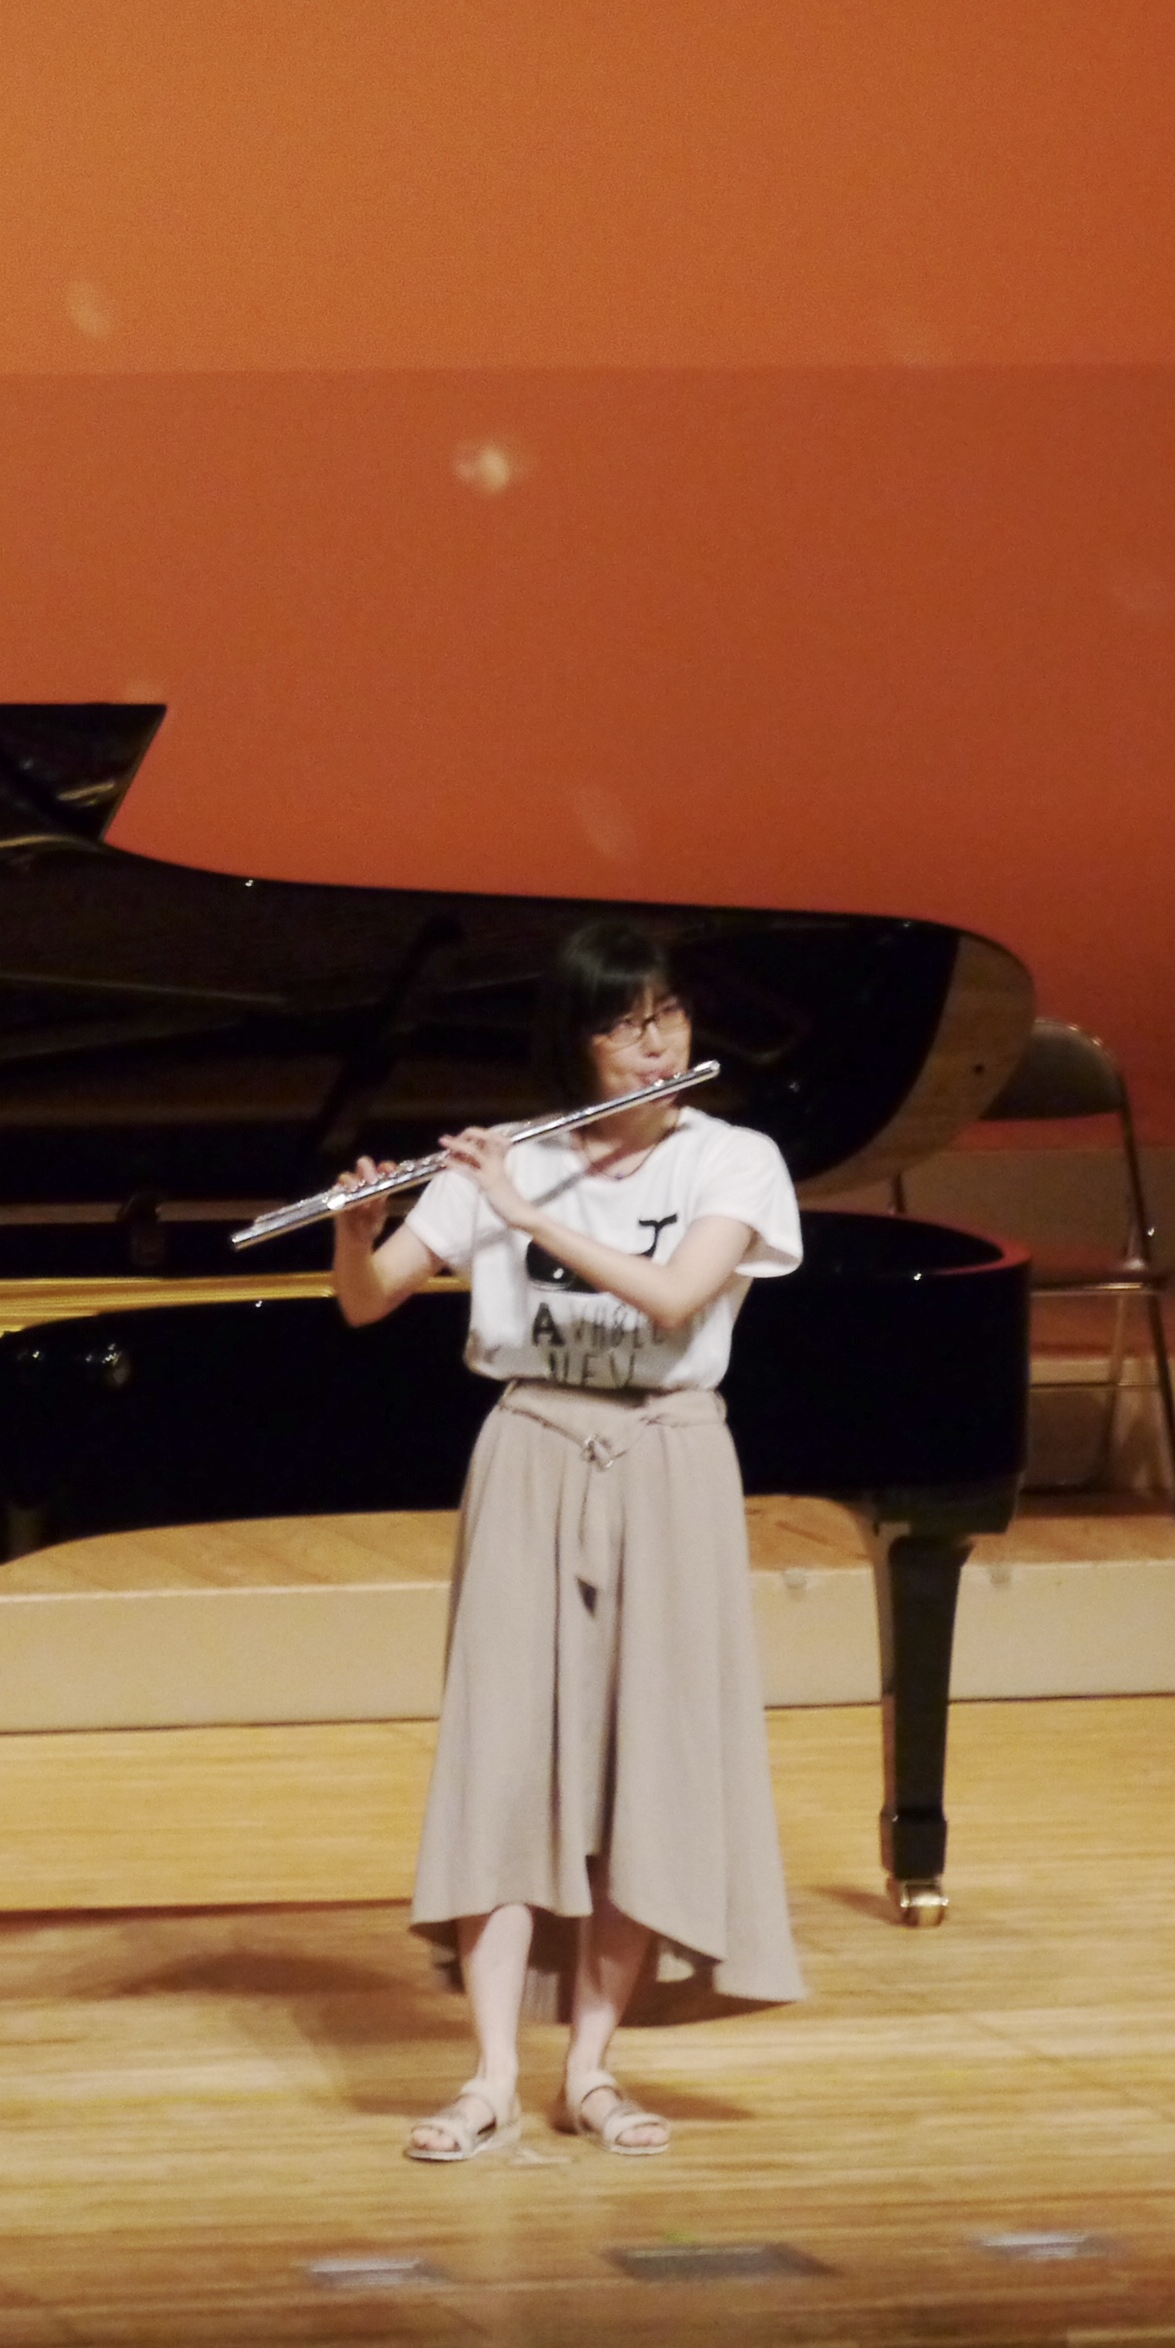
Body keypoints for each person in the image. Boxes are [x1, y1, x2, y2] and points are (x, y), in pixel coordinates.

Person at [328, 920, 806, 2162]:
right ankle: (491, 2077)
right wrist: (354, 1226)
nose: (656, 1046)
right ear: (576, 1044)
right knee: (500, 1763)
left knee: (648, 1761)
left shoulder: (734, 1160)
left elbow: (674, 1297)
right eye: (624, 1025)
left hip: (666, 1458)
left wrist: (520, 1214)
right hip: (532, 1451)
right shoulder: (507, 1158)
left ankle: (590, 2068)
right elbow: (368, 1302)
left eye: (669, 1018)